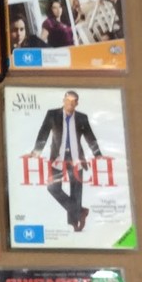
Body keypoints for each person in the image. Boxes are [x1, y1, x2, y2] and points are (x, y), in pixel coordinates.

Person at [29, 90, 103, 232]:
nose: (70, 104)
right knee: (52, 188)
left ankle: (74, 223)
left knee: (76, 191)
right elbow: (44, 132)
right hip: (58, 158)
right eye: (68, 101)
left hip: (76, 158)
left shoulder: (82, 117)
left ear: (77, 103)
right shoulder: (52, 114)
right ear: (63, 100)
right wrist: (37, 151)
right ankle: (80, 211)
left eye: (73, 102)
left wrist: (97, 153)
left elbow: (90, 136)